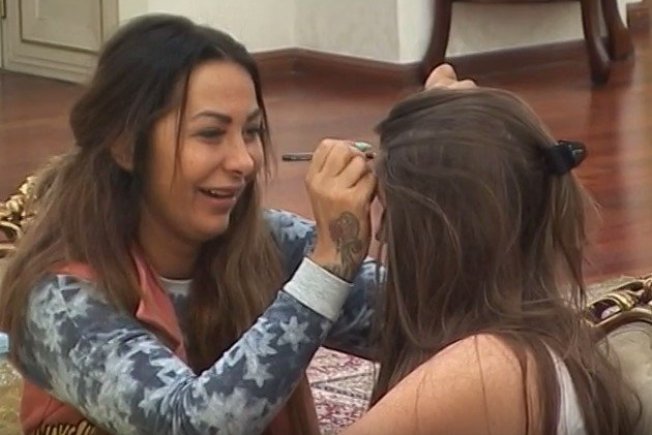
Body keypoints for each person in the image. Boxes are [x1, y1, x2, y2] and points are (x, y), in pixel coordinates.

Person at [0, 13, 385, 435]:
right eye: (210, 134)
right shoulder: (60, 299)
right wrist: (328, 265)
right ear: (125, 146)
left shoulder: (268, 242)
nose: (243, 161)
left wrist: (434, 160)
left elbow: (414, 319)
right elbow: (187, 423)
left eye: (252, 131)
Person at [342, 88, 638, 434]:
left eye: (390, 215)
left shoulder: (484, 368)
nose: (382, 235)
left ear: (438, 234)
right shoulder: (528, 346)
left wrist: (328, 262)